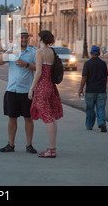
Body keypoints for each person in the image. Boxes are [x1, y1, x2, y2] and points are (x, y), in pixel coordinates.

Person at [0, 27, 38, 154]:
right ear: (17, 39)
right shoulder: (11, 51)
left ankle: (29, 145)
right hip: (12, 90)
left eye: (26, 37)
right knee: (12, 117)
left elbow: (38, 68)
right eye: (21, 37)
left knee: (28, 118)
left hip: (26, 91)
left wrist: (26, 64)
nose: (24, 39)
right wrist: (8, 54)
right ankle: (11, 144)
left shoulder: (33, 52)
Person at [28, 30, 63, 158]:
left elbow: (38, 72)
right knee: (52, 117)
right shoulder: (51, 52)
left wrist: (31, 88)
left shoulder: (40, 52)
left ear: (41, 38)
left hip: (42, 87)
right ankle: (52, 147)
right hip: (51, 87)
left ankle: (51, 149)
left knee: (47, 118)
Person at [78, 45, 108, 132]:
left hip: (90, 90)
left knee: (90, 108)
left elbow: (84, 77)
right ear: (99, 53)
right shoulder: (103, 64)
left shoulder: (87, 64)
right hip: (101, 90)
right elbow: (106, 77)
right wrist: (104, 87)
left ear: (91, 53)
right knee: (101, 108)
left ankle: (89, 125)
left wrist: (80, 89)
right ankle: (101, 123)